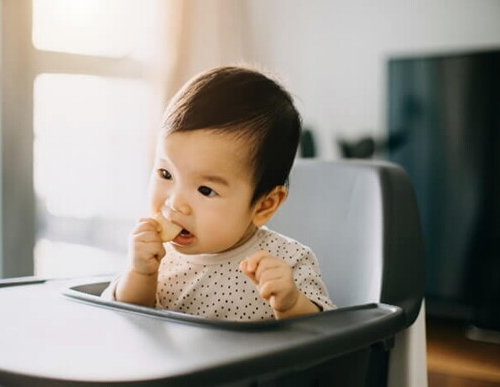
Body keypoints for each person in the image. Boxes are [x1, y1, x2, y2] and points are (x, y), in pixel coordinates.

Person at [102, 66, 335, 321]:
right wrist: (140, 274)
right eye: (166, 174)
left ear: (264, 206)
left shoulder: (287, 261)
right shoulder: (157, 256)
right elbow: (127, 321)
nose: (175, 203)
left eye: (205, 190)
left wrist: (290, 304)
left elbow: (326, 335)